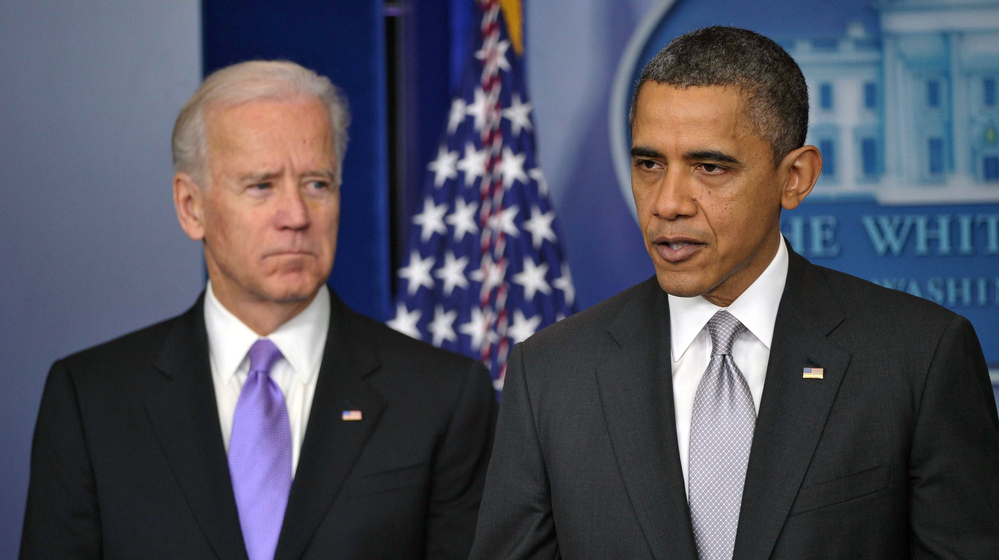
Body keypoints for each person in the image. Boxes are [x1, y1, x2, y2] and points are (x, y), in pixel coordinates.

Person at [469, 26, 999, 560]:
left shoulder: (919, 358)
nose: (667, 202)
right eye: (649, 164)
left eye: (709, 167)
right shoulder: (552, 374)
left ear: (795, 177)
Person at [21, 60, 496, 560]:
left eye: (316, 183)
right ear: (191, 206)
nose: (295, 216)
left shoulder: (442, 398)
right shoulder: (91, 402)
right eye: (261, 186)